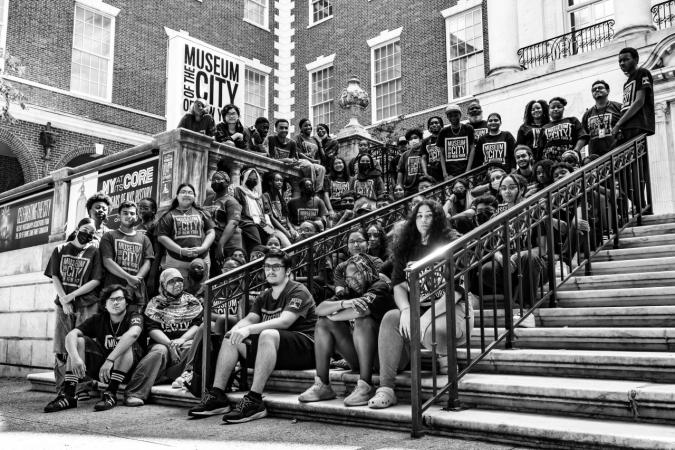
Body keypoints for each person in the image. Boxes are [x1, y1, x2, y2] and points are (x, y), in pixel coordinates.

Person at [188, 250, 317, 423]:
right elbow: (250, 319)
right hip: (275, 351)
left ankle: (255, 399)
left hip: (305, 349)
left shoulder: (298, 290)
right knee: (231, 338)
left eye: (276, 267)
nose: (270, 271)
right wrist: (237, 329)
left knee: (267, 334)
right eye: (267, 267)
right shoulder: (265, 295)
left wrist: (249, 330)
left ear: (287, 271)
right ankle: (217, 395)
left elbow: (285, 322)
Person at [369, 200, 472, 409]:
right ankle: (386, 388)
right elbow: (398, 284)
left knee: (432, 330)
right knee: (391, 318)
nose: (424, 220)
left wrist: (426, 317)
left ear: (437, 218)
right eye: (419, 215)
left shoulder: (450, 241)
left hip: (451, 305)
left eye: (429, 215)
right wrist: (406, 310)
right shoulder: (406, 246)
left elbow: (457, 290)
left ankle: (447, 362)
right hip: (419, 305)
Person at [298, 253, 395, 406]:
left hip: (387, 357)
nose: (353, 281)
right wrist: (344, 303)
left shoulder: (379, 286)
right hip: (361, 357)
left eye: (356, 275)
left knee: (363, 321)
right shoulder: (350, 291)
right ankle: (322, 385)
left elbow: (361, 311)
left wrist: (334, 316)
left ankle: (365, 386)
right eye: (348, 279)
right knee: (323, 323)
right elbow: (319, 309)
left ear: (366, 270)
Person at [43, 285, 144, 413]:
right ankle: (68, 395)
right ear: (105, 305)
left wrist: (110, 360)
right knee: (78, 341)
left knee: (126, 342)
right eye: (111, 300)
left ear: (127, 302)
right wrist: (75, 358)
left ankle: (111, 393)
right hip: (104, 372)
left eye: (119, 299)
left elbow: (133, 334)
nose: (116, 302)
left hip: (129, 371)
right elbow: (70, 335)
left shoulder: (135, 316)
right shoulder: (99, 319)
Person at [124, 268, 203, 406]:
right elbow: (152, 328)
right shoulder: (155, 303)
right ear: (163, 285)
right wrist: (170, 344)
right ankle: (135, 393)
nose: (177, 284)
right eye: (171, 281)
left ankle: (184, 379)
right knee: (159, 351)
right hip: (163, 345)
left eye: (179, 280)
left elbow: (197, 325)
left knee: (193, 347)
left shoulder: (192, 301)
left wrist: (182, 340)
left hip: (184, 345)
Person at [44, 217, 103, 399]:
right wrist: (64, 300)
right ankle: (62, 387)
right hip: (64, 305)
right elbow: (55, 276)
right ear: (77, 229)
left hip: (86, 304)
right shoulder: (60, 249)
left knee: (81, 343)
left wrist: (72, 296)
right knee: (62, 347)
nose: (88, 234)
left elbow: (96, 280)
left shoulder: (94, 251)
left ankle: (82, 387)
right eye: (85, 229)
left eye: (92, 233)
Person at [100, 201, 154, 312]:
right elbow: (107, 261)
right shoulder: (109, 236)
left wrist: (134, 281)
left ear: (137, 216)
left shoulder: (144, 238)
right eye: (125, 213)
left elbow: (147, 263)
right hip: (113, 290)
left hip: (136, 293)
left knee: (135, 323)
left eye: (132, 213)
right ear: (119, 216)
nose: (129, 216)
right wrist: (128, 278)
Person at [156, 184, 216, 279]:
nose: (187, 195)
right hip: (176, 262)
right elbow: (162, 237)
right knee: (176, 289)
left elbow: (211, 232)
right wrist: (180, 250)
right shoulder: (168, 215)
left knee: (202, 290)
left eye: (190, 193)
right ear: (177, 196)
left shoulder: (202, 213)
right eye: (183, 192)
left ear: (194, 197)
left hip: (201, 261)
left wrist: (203, 248)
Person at [203, 171, 243, 275]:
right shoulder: (208, 199)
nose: (216, 181)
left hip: (227, 244)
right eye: (213, 179)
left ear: (227, 183)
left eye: (219, 179)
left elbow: (233, 223)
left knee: (228, 274)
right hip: (211, 243)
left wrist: (221, 244)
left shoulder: (231, 201)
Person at [613, 47, 655, 143]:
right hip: (626, 126)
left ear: (636, 59)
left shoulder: (642, 72)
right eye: (620, 61)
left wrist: (618, 124)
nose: (622, 63)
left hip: (637, 124)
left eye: (626, 59)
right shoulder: (627, 82)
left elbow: (639, 101)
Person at [233, 168, 276, 254]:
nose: (253, 180)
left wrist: (268, 223)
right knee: (257, 243)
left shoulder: (257, 194)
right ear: (245, 178)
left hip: (260, 222)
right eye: (250, 178)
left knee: (272, 235)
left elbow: (265, 212)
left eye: (255, 178)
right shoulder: (239, 190)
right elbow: (237, 207)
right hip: (247, 221)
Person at [580, 80, 623, 156]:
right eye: (594, 89)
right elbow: (584, 136)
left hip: (617, 153)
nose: (597, 90)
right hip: (595, 157)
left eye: (600, 88)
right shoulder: (587, 114)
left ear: (608, 91)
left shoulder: (618, 107)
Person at [538, 97, 588, 162]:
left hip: (570, 159)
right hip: (550, 162)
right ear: (549, 110)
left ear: (563, 109)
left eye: (559, 107)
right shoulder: (544, 127)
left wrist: (575, 152)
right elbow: (540, 148)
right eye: (553, 107)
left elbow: (582, 137)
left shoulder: (572, 120)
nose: (556, 109)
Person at [436, 104, 475, 179]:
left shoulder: (468, 128)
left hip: (465, 170)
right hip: (450, 173)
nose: (453, 117)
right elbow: (441, 153)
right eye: (450, 115)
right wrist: (444, 173)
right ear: (447, 117)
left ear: (460, 115)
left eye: (455, 115)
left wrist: (468, 170)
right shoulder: (443, 131)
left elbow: (472, 149)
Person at [262, 172, 295, 246]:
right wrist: (286, 232)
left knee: (300, 240)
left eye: (281, 180)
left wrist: (291, 228)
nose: (279, 182)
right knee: (288, 246)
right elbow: (271, 218)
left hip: (285, 226)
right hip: (273, 228)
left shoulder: (280, 196)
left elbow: (285, 216)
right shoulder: (265, 196)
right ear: (270, 182)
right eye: (277, 180)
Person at [136, 197, 160, 297]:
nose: (141, 210)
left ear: (153, 210)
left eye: (145, 208)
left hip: (151, 269)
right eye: (140, 207)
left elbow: (158, 252)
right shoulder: (136, 227)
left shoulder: (156, 225)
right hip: (138, 269)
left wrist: (152, 276)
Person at [295, 118, 327, 193]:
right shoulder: (298, 137)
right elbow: (299, 153)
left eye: (309, 125)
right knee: (310, 166)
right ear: (301, 128)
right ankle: (310, 189)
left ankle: (317, 191)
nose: (308, 127)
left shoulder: (314, 139)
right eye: (305, 126)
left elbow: (322, 155)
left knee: (322, 169)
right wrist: (312, 160)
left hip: (313, 162)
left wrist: (319, 143)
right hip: (302, 161)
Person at [397, 129, 428, 197]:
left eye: (415, 138)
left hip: (425, 187)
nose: (413, 140)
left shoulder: (426, 151)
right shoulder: (405, 155)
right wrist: (399, 186)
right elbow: (400, 171)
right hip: (409, 189)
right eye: (410, 139)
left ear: (421, 139)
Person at [421, 115, 445, 182]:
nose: (434, 125)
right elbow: (423, 158)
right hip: (432, 175)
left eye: (436, 123)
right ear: (429, 127)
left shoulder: (446, 138)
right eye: (431, 124)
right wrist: (426, 174)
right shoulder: (425, 141)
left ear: (441, 125)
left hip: (446, 172)